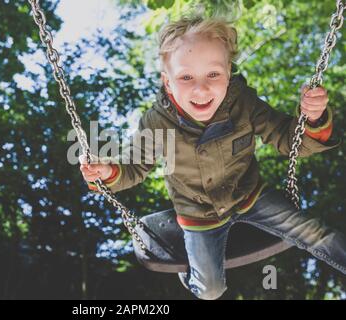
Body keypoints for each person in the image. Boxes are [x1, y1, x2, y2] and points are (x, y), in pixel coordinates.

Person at [79, 15, 345, 300]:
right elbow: (133, 167)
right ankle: (190, 274)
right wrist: (107, 173)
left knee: (319, 235)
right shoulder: (157, 123)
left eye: (213, 74)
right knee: (210, 291)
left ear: (228, 73)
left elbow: (287, 139)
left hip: (251, 196)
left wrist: (314, 118)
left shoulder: (242, 103)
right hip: (198, 216)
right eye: (186, 77)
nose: (201, 88)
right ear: (167, 83)